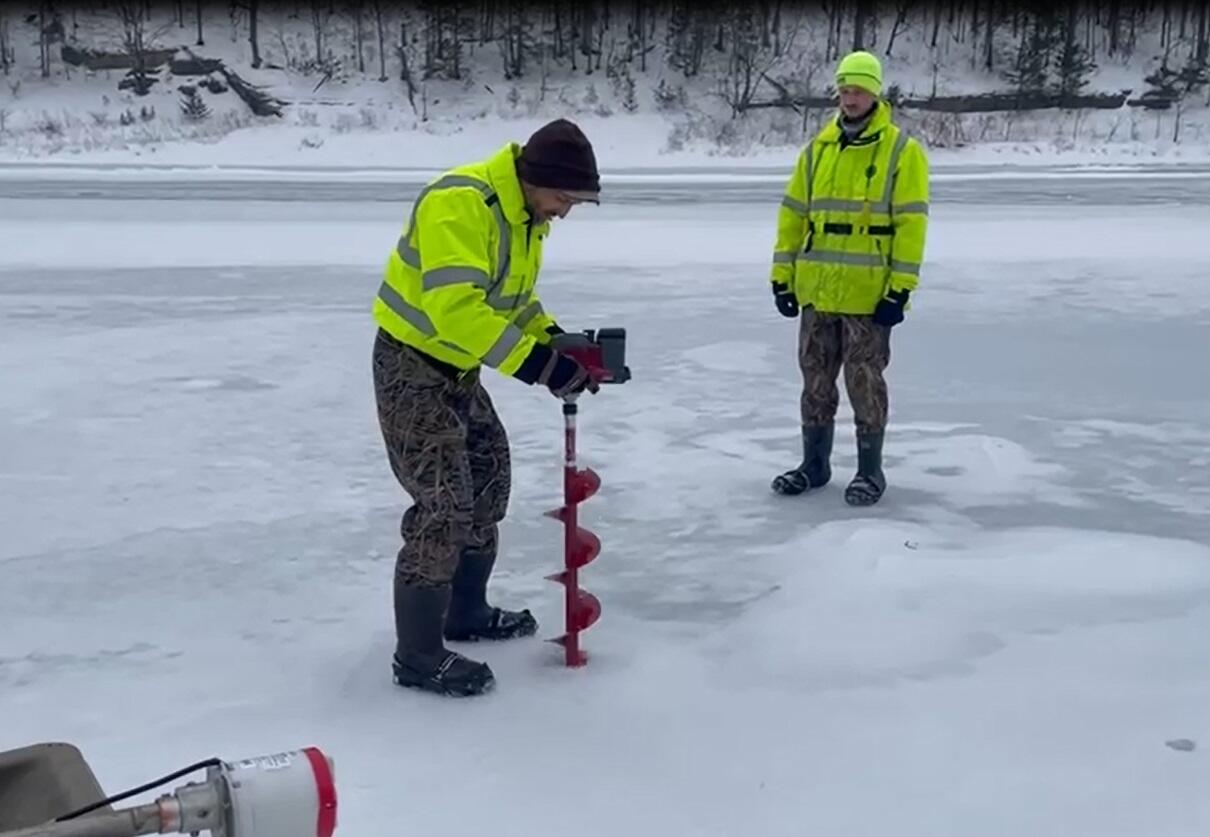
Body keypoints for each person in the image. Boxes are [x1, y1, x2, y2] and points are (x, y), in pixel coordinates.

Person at [371, 118, 602, 697]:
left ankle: (463, 613)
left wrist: (556, 343)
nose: (565, 212)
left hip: (459, 368)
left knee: (489, 482)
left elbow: (513, 302)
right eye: (563, 198)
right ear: (535, 178)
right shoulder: (461, 204)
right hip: (412, 366)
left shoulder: (525, 216)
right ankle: (417, 655)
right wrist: (539, 367)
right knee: (443, 505)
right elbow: (458, 313)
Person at [768, 49, 930, 507]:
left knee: (864, 383)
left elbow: (911, 224)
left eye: (858, 89)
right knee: (815, 381)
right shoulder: (817, 151)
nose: (849, 97)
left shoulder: (902, 150)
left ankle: (869, 471)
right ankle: (814, 465)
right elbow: (793, 216)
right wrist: (783, 276)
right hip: (818, 290)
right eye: (844, 88)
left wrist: (900, 290)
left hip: (868, 295)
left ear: (875, 92)